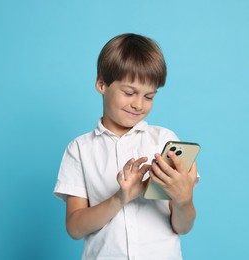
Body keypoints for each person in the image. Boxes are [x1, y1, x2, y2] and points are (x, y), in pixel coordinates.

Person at [53, 33, 199, 260]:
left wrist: (183, 199)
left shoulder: (164, 140)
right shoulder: (79, 149)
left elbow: (184, 226)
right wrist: (120, 198)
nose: (138, 104)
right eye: (129, 93)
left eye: (149, 96)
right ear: (102, 84)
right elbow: (75, 228)